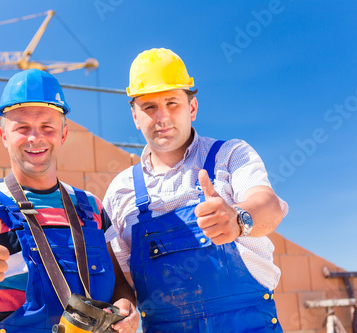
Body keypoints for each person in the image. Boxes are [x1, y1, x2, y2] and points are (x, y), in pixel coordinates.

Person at [0, 69, 139, 333]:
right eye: (22, 128)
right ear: (4, 137)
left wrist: (127, 307)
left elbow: (120, 286)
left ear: (63, 134)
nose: (34, 138)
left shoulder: (92, 207)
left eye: (47, 127)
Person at [103, 48, 289, 332]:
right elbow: (121, 280)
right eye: (149, 107)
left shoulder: (230, 155)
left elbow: (269, 206)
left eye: (172, 103)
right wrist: (124, 305)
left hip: (247, 324)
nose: (162, 117)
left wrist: (239, 220)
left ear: (192, 108)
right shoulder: (120, 191)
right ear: (135, 117)